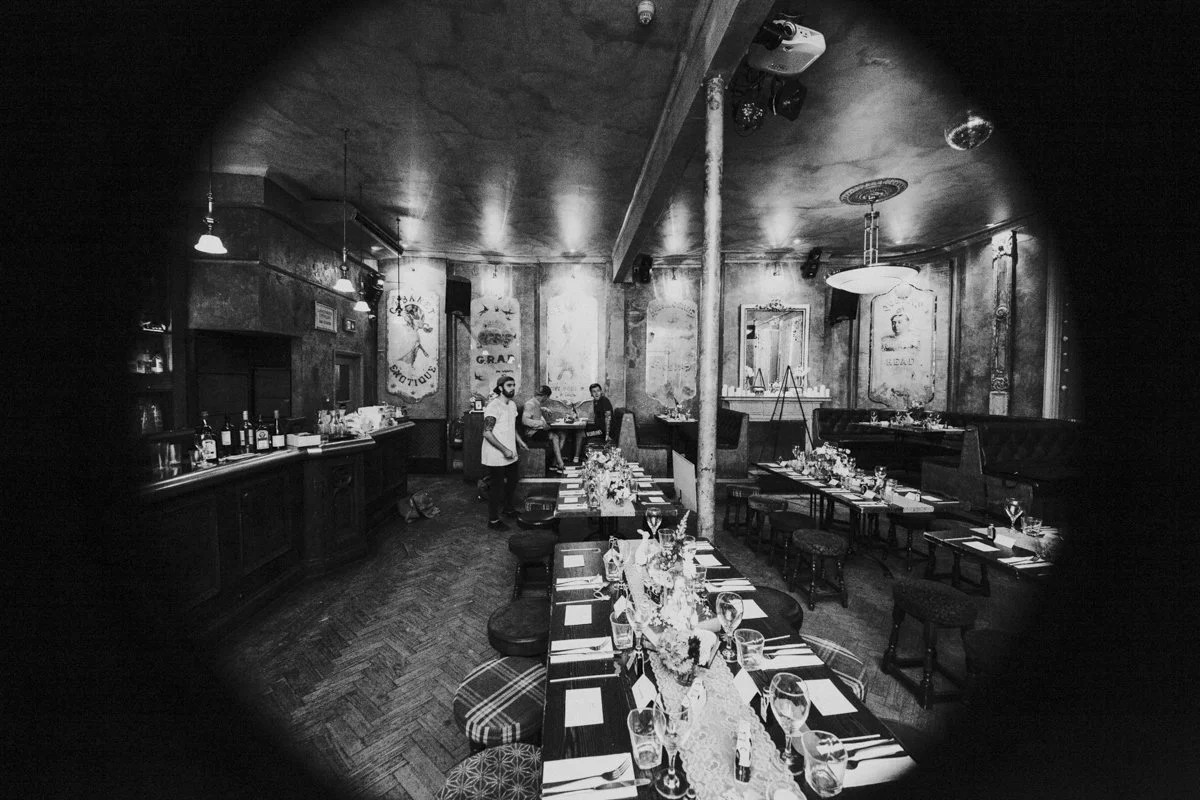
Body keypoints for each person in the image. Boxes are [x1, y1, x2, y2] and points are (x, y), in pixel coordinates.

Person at [481, 375, 528, 530]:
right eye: (509, 385)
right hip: (496, 454)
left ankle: (508, 509)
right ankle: (493, 521)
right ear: (500, 388)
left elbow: (511, 426)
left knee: (513, 481)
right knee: (497, 487)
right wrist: (504, 450)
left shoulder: (512, 405)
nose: (512, 388)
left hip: (510, 452)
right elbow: (487, 433)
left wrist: (520, 442)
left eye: (514, 385)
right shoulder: (493, 406)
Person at [521, 384, 566, 473]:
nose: (546, 400)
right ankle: (560, 463)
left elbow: (535, 411)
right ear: (545, 396)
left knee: (562, 433)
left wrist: (543, 409)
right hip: (532, 433)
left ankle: (554, 462)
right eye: (547, 397)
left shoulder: (536, 403)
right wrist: (541, 423)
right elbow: (525, 421)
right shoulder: (530, 404)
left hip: (538, 431)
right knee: (554, 436)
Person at [574, 382, 613, 461]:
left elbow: (608, 418)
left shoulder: (604, 401)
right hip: (598, 428)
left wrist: (607, 434)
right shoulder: (596, 401)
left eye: (598, 391)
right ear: (591, 393)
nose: (596, 393)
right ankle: (579, 456)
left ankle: (576, 458)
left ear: (601, 391)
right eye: (594, 392)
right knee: (579, 430)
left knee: (580, 434)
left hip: (602, 431)